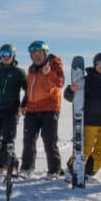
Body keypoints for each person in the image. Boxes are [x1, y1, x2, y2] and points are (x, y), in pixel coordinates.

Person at [20, 40, 66, 178]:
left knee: (49, 140)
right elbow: (30, 89)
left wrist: (49, 73)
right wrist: (24, 104)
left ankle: (54, 170)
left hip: (49, 108)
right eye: (33, 53)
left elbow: (60, 82)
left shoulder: (54, 64)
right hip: (32, 109)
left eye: (39, 53)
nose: (36, 56)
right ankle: (27, 168)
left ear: (45, 53)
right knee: (28, 139)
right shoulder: (31, 69)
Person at [0, 44, 27, 172]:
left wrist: (23, 105)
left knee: (8, 141)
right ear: (0, 55)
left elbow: (28, 90)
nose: (5, 57)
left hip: (11, 110)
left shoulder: (19, 72)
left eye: (8, 54)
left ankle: (9, 163)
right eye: (3, 54)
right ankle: (1, 163)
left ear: (13, 56)